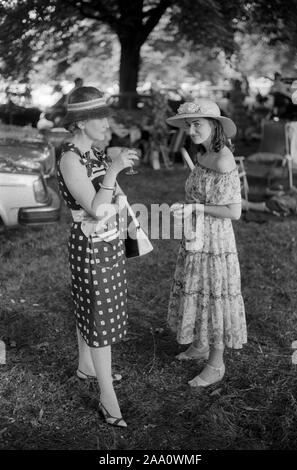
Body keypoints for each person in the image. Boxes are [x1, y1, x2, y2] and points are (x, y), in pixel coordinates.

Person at [56, 86, 138, 427]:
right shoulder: (70, 158)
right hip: (90, 243)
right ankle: (107, 397)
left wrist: (114, 170)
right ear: (80, 122)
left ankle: (86, 366)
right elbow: (95, 207)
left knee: (91, 307)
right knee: (99, 317)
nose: (107, 124)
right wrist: (114, 171)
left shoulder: (93, 153)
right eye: (100, 118)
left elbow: (112, 199)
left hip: (107, 240)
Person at [166, 99, 247, 387]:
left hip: (215, 242)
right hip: (197, 236)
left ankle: (216, 363)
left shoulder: (224, 161)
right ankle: (200, 345)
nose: (191, 130)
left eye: (197, 124)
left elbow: (233, 211)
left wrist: (196, 208)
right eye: (188, 125)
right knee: (197, 289)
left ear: (215, 125)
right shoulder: (201, 154)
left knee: (214, 295)